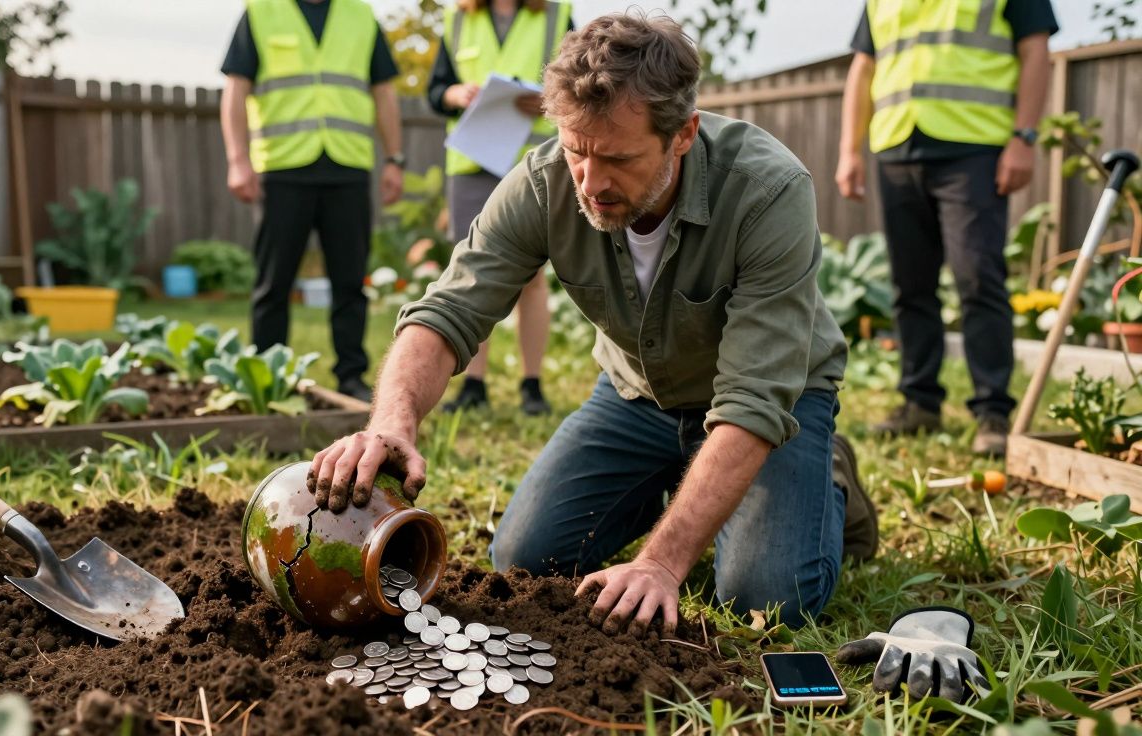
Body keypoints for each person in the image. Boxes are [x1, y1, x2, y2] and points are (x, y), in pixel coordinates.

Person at [306, 12, 880, 635]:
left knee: (762, 600)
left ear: (683, 133)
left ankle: (827, 480)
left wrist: (661, 564)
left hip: (769, 407)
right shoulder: (546, 180)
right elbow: (448, 311)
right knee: (524, 558)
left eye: (618, 159)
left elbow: (754, 398)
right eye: (577, 150)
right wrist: (392, 422)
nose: (591, 182)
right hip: (638, 398)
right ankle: (675, 480)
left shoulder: (767, 191)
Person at [836, 0, 1058, 456]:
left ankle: (992, 411)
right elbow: (864, 67)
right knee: (909, 285)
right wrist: (850, 150)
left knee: (977, 278)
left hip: (974, 146)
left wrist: (1025, 137)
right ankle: (919, 402)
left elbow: (1036, 51)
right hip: (897, 145)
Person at [220, 0, 406, 402]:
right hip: (283, 168)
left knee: (350, 282)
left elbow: (384, 92)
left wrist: (393, 159)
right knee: (274, 283)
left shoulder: (359, 15)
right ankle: (268, 378)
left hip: (348, 166)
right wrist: (238, 160)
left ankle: (351, 376)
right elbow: (235, 90)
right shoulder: (260, 12)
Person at [427, 0, 573, 416]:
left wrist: (549, 98)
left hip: (535, 163)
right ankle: (472, 384)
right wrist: (456, 93)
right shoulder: (457, 19)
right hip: (471, 165)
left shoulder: (555, 17)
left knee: (533, 278)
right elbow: (435, 92)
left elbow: (586, 82)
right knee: (471, 273)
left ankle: (532, 384)